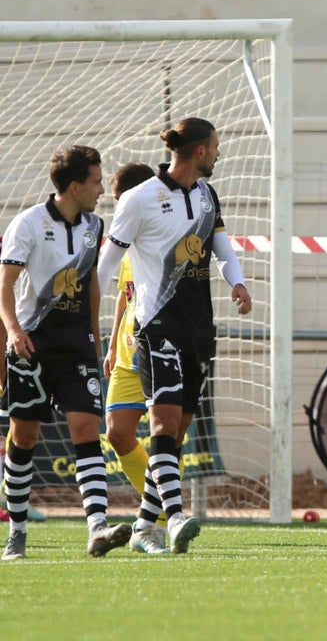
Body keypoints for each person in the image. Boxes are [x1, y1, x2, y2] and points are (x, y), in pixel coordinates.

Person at [97, 118, 252, 555]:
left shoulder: (206, 196)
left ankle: (145, 526)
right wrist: (91, 325)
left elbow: (221, 250)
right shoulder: (139, 199)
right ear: (200, 151)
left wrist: (236, 283)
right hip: (156, 326)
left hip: (200, 329)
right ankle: (176, 514)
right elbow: (107, 265)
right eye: (216, 147)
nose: (220, 154)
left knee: (178, 432)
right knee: (162, 423)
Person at [1, 145, 131, 560]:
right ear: (75, 186)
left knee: (86, 430)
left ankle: (96, 528)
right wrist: (15, 331)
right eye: (96, 182)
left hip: (76, 347)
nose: (101, 189)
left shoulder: (95, 224)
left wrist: (96, 337)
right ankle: (16, 533)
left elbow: (91, 282)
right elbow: (4, 285)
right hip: (32, 347)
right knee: (24, 437)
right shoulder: (29, 224)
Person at [100, 162, 169, 551]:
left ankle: (158, 514)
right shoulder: (125, 243)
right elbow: (125, 299)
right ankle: (158, 508)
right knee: (117, 432)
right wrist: (111, 344)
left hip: (160, 350)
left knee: (164, 437)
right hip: (127, 353)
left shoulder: (163, 238)